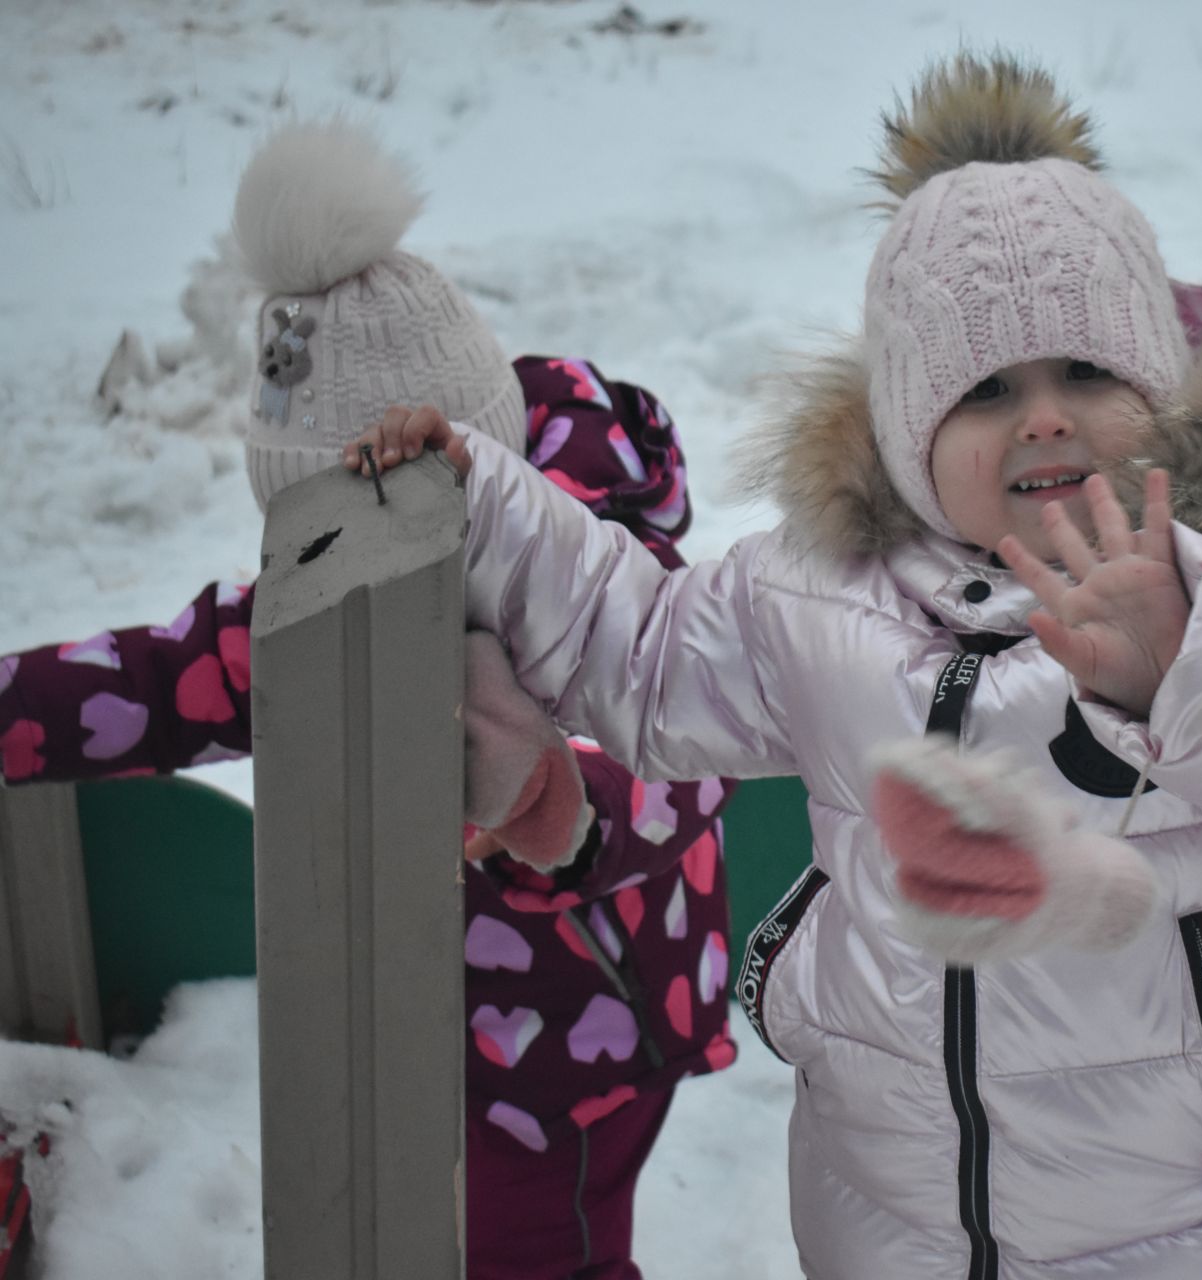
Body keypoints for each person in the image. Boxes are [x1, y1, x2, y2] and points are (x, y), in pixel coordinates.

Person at [348, 51, 1202, 1279]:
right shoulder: (825, 594)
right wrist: (485, 502)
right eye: (985, 389)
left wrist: (1193, 656)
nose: (1045, 416)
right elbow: (650, 658)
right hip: (897, 1215)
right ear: (904, 430)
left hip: (1188, 1228)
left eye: (1090, 373)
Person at [0, 120, 734, 1280]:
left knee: (546, 1257)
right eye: (311, 536)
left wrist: (556, 802)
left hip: (599, 1025)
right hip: (460, 1027)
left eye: (368, 532)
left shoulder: (600, 575)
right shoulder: (319, 621)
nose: (347, 569)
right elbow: (147, 681)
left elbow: (687, 755)